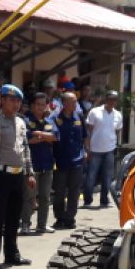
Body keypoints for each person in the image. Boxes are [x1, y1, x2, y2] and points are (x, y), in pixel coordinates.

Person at [0, 84, 35, 269]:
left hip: (18, 175)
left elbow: (25, 148)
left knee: (14, 217)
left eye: (18, 101)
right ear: (2, 100)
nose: (16, 104)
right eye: (12, 100)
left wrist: (30, 172)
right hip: (0, 175)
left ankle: (12, 254)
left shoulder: (20, 122)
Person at [21, 93, 57, 235]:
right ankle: (25, 224)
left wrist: (38, 134)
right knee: (29, 196)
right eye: (38, 104)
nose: (41, 107)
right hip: (31, 164)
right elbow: (26, 139)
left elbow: (55, 137)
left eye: (44, 104)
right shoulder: (25, 121)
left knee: (45, 197)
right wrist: (44, 136)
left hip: (47, 163)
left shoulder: (49, 121)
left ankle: (42, 225)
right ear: (32, 105)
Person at [52, 92, 87, 230]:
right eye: (73, 101)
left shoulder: (79, 117)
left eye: (76, 101)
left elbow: (84, 136)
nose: (75, 104)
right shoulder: (55, 118)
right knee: (60, 192)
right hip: (61, 161)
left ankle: (70, 218)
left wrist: (86, 151)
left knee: (74, 192)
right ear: (64, 103)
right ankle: (59, 218)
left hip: (77, 160)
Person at [84, 91, 123, 208]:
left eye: (114, 99)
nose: (112, 101)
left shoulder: (118, 115)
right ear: (106, 99)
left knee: (107, 177)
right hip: (94, 150)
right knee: (91, 176)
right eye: (110, 99)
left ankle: (104, 201)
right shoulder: (95, 112)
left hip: (109, 150)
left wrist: (116, 145)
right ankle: (87, 201)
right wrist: (87, 148)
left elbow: (117, 131)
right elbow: (88, 131)